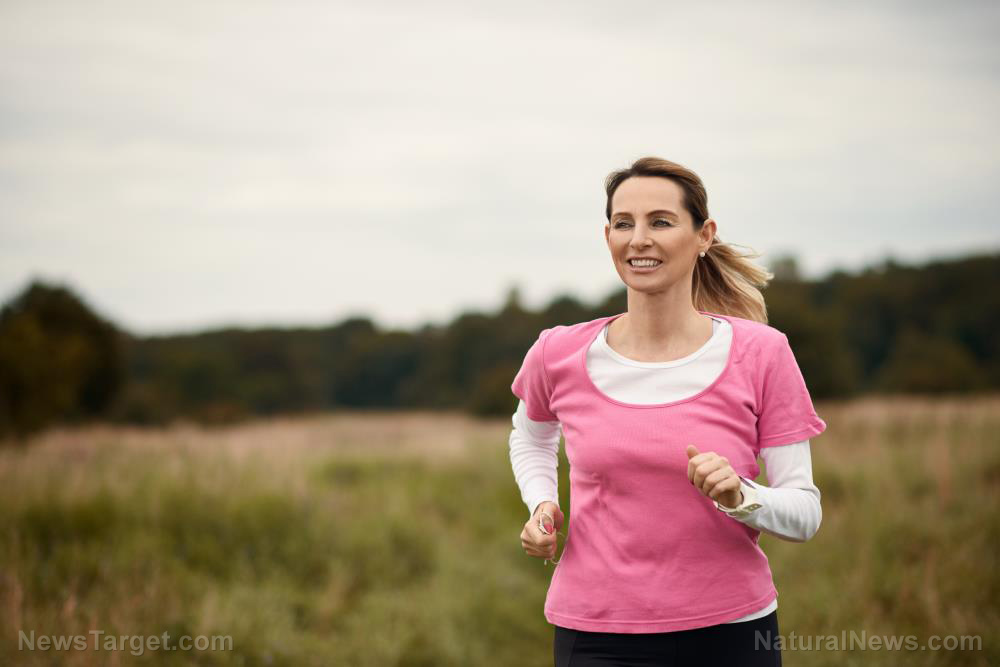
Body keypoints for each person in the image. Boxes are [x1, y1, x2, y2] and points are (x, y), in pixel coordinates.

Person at [508, 156, 826, 666]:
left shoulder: (763, 353)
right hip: (596, 637)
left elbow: (805, 515)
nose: (638, 239)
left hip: (730, 634)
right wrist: (542, 504)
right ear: (607, 237)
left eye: (660, 222)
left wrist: (741, 495)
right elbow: (530, 435)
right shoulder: (557, 352)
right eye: (623, 224)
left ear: (704, 236)